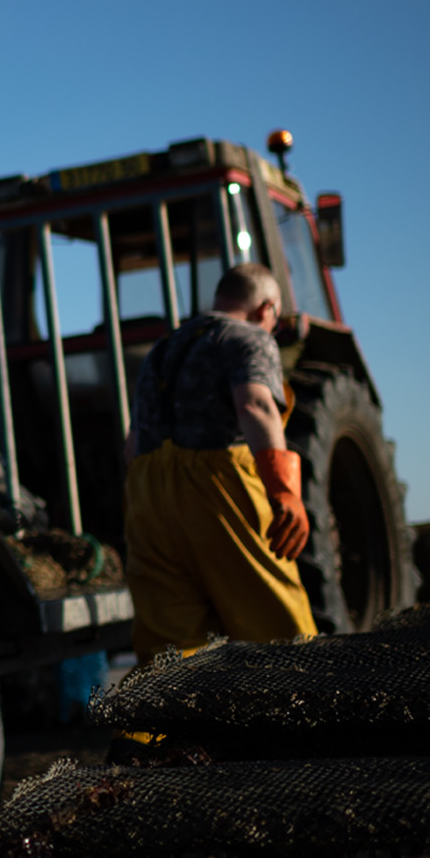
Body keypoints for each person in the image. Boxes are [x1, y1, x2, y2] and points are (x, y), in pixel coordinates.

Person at [123, 262, 317, 666]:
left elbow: (133, 442)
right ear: (266, 308)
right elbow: (255, 404)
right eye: (276, 319)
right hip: (218, 487)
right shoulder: (249, 337)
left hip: (148, 497)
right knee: (279, 632)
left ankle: (165, 709)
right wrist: (283, 489)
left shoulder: (162, 349)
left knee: (170, 653)